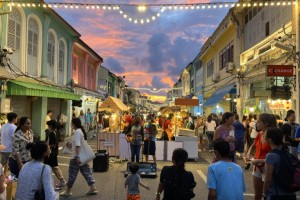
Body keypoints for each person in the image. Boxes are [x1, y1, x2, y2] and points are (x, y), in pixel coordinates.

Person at [60, 118, 97, 197]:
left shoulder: (77, 132)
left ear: (74, 124)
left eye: (71, 123)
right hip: (81, 157)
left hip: (76, 158)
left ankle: (68, 191)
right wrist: (70, 144)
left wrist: (77, 156)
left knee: (72, 174)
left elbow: (78, 145)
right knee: (86, 172)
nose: (70, 125)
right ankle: (92, 188)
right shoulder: (81, 131)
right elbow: (77, 145)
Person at [246, 113, 277, 200]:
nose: (256, 123)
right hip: (257, 166)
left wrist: (260, 160)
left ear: (265, 123)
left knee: (268, 194)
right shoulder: (260, 134)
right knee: (257, 194)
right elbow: (253, 145)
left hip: (268, 167)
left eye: (259, 122)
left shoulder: (273, 136)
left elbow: (276, 155)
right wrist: (248, 154)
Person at [263, 127, 296, 200]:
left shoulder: (271, 155)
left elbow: (268, 179)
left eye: (265, 136)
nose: (263, 138)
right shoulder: (286, 151)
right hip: (290, 193)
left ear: (270, 140)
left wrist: (264, 192)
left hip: (276, 194)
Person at [44, 120, 66, 190]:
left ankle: (61, 180)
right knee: (53, 167)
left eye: (49, 125)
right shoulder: (55, 132)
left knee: (54, 167)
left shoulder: (52, 133)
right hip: (53, 152)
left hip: (50, 152)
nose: (48, 127)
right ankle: (61, 180)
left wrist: (46, 147)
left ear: (51, 126)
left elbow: (53, 144)